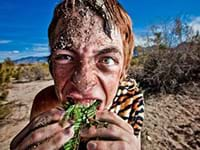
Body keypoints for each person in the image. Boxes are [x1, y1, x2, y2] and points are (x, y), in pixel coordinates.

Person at [10, 0, 144, 149]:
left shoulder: (131, 101)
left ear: (123, 71)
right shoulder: (44, 104)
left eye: (107, 59)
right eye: (65, 57)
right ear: (51, 68)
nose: (83, 82)